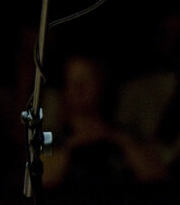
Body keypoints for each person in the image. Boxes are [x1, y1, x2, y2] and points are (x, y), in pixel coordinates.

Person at [41, 51, 167, 203]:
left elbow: (157, 175)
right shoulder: (50, 137)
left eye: (86, 80)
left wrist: (117, 139)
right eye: (72, 82)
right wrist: (73, 144)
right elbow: (42, 179)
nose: (79, 89)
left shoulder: (127, 133)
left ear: (101, 84)